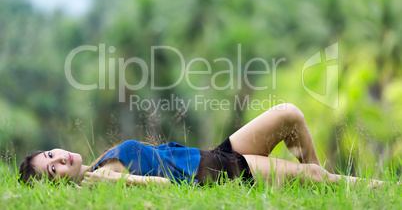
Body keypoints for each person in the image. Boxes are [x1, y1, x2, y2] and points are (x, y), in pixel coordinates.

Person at [18, 103, 385, 187]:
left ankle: (318, 183)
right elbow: (166, 188)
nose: (60, 159)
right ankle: (383, 189)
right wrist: (115, 181)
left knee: (289, 114)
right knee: (314, 176)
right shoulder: (104, 180)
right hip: (220, 173)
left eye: (51, 154)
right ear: (58, 184)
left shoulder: (98, 162)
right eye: (54, 169)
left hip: (215, 153)